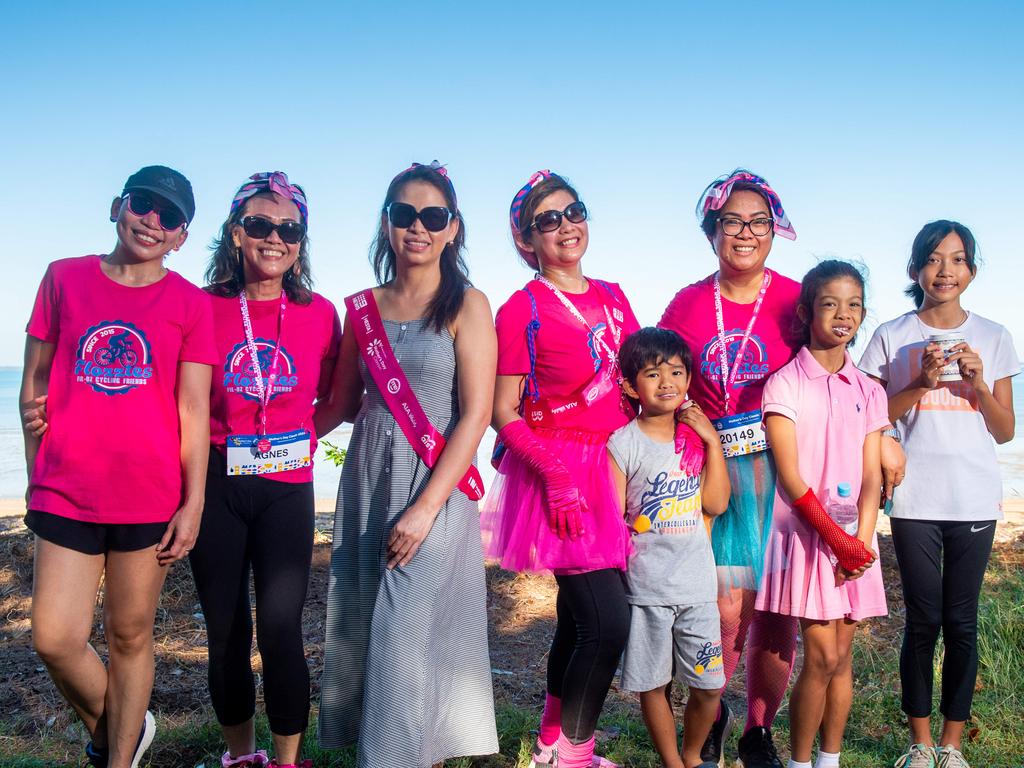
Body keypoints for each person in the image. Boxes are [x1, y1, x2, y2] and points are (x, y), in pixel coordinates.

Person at [19, 166, 215, 768]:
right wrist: (36, 475)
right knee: (54, 637)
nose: (153, 220)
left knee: (129, 638)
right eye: (143, 204)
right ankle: (123, 733)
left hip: (149, 497)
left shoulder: (191, 303)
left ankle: (117, 760)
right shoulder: (63, 278)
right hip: (67, 493)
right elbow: (33, 389)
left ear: (182, 236)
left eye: (170, 216)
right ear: (117, 206)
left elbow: (192, 408)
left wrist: (194, 502)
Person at [316, 162, 498, 767]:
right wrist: (249, 436)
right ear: (387, 223)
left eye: (432, 216)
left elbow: (474, 415)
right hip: (366, 485)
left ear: (453, 229)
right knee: (368, 630)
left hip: (434, 490)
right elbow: (338, 405)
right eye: (404, 214)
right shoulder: (360, 310)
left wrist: (424, 509)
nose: (417, 227)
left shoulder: (468, 305)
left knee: (403, 637)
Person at [483, 170, 639, 768]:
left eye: (573, 211)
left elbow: (634, 378)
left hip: (616, 466)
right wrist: (551, 473)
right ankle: (575, 754)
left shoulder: (616, 296)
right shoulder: (519, 309)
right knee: (609, 622)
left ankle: (552, 741)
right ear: (527, 242)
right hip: (558, 475)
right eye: (547, 220)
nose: (566, 226)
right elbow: (503, 411)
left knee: (578, 621)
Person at [191, 172, 341, 768]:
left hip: (286, 488)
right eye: (259, 224)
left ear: (300, 242)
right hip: (215, 482)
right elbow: (172, 395)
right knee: (226, 632)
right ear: (235, 234)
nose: (273, 237)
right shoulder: (201, 307)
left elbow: (337, 399)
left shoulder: (320, 314)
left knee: (280, 630)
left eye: (288, 228)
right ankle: (240, 758)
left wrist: (300, 438)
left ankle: (286, 761)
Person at [658, 169, 803, 768]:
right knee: (718, 609)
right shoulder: (687, 303)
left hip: (783, 471)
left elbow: (833, 373)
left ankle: (759, 732)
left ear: (774, 231)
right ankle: (712, 712)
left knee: (775, 612)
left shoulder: (798, 298)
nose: (745, 233)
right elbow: (657, 380)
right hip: (712, 474)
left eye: (758, 222)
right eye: (731, 221)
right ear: (711, 230)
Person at [859, 221, 1017, 768]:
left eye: (956, 260)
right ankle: (919, 744)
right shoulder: (892, 336)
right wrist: (922, 383)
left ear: (971, 270)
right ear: (914, 270)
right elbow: (870, 417)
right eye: (933, 259)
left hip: (973, 495)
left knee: (962, 621)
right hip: (915, 498)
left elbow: (1004, 431)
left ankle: (952, 747)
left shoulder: (995, 336)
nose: (944, 270)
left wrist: (976, 383)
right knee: (923, 621)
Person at [759, 260, 888, 768]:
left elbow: (873, 478)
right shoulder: (785, 383)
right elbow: (791, 478)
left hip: (855, 543)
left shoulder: (870, 390)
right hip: (810, 538)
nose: (844, 314)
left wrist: (862, 541)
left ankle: (829, 760)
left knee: (842, 659)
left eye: (854, 304)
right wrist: (838, 540)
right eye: (831, 303)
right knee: (823, 656)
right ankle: (799, 761)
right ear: (809, 309)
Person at [607, 327, 730, 768]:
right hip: (648, 592)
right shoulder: (623, 444)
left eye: (677, 372)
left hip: (697, 589)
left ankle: (694, 755)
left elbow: (715, 503)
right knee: (653, 685)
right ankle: (673, 764)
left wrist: (713, 441)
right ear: (628, 384)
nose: (667, 383)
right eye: (653, 374)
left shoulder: (694, 440)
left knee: (710, 685)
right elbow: (612, 515)